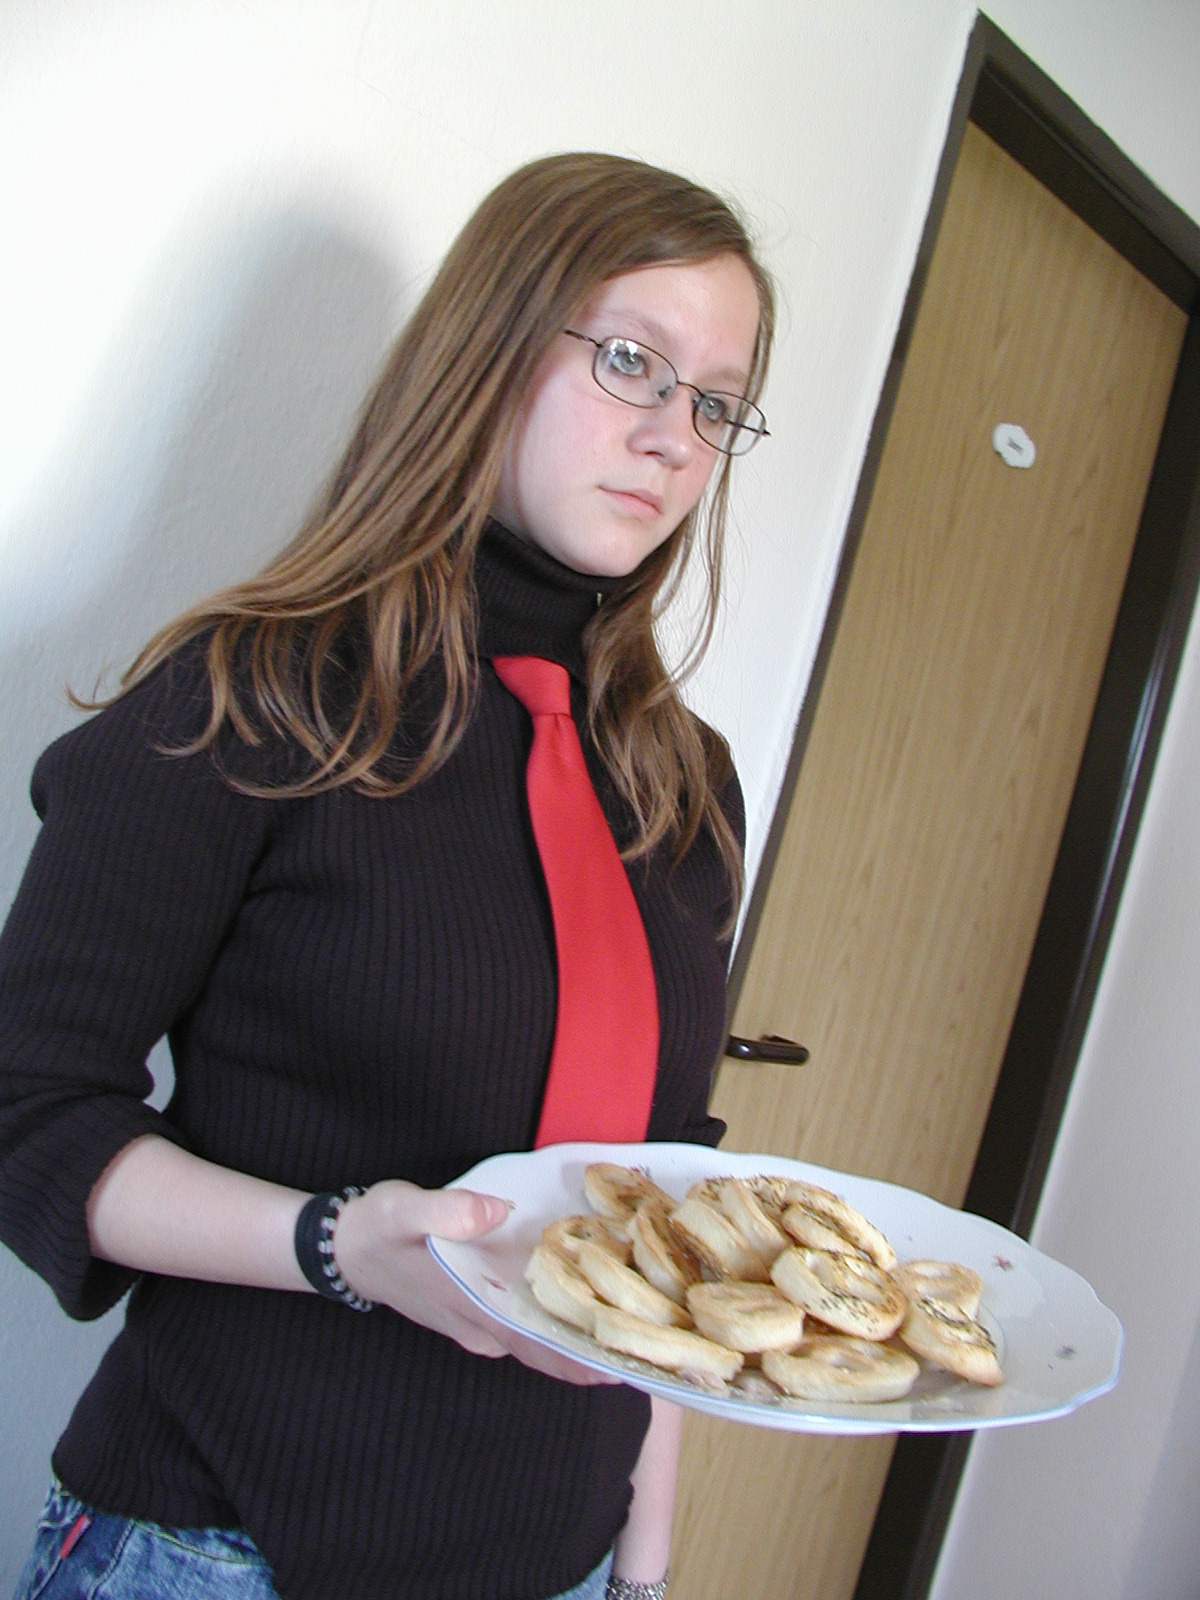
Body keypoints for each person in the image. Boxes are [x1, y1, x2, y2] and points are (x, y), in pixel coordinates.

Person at [0, 151, 774, 1600]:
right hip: (222, 1552)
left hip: (562, 1562)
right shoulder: (254, 697)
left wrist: (645, 1561)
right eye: (630, 360)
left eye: (718, 403)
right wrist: (335, 1245)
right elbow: (25, 1104)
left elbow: (660, 1195)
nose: (675, 438)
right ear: (490, 346)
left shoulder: (685, 783)